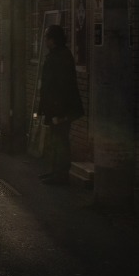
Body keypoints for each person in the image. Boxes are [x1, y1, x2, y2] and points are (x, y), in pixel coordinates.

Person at [38, 24, 84, 185]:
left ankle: (61, 175)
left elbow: (62, 87)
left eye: (46, 38)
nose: (45, 41)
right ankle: (55, 172)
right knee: (55, 140)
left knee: (61, 140)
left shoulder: (62, 57)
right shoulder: (56, 55)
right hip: (55, 108)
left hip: (61, 109)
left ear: (53, 40)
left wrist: (59, 113)